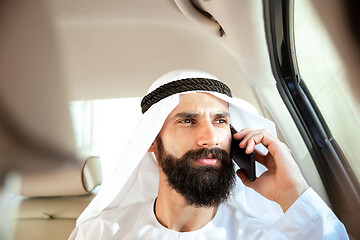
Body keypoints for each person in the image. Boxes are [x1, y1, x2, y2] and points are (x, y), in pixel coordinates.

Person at [70, 70, 348, 239]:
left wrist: (292, 191)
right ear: (152, 141)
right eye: (188, 121)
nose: (211, 138)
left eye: (220, 121)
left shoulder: (264, 234)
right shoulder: (101, 233)